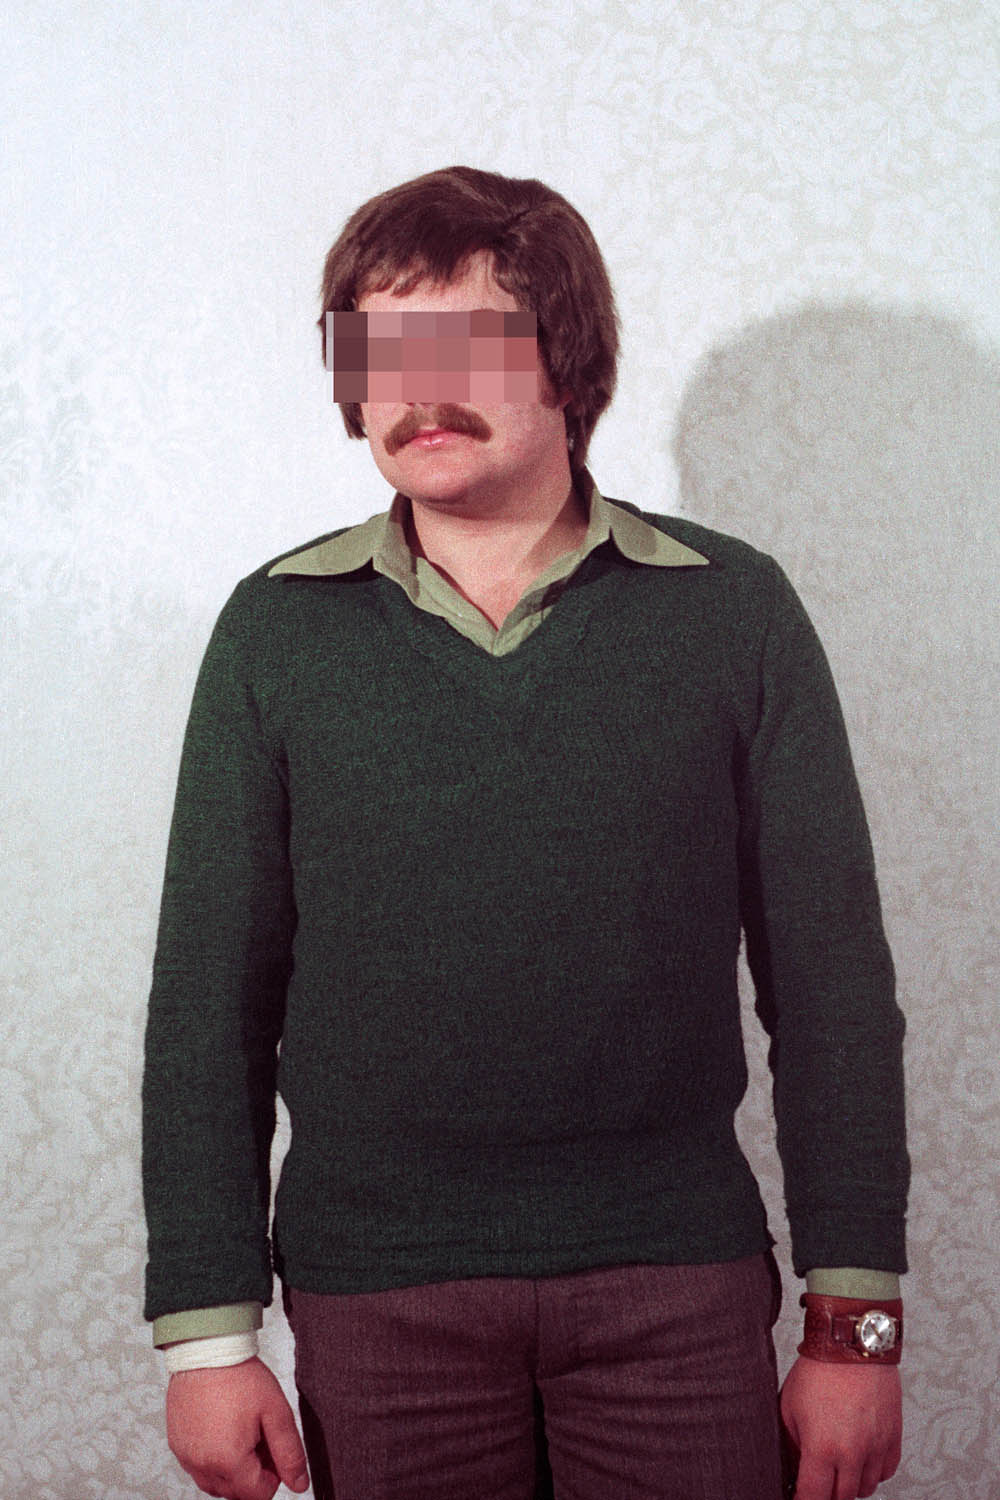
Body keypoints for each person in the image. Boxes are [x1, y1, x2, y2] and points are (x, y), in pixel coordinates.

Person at [142, 165, 909, 1500]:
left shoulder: (733, 612)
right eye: (381, 350)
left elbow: (832, 988)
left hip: (676, 1282)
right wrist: (209, 1339)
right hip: (379, 1296)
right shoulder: (275, 631)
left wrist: (856, 1327)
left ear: (569, 358)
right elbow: (208, 1009)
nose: (417, 390)